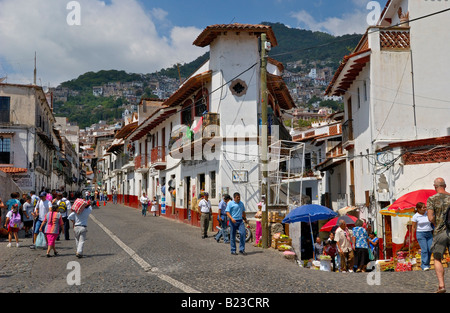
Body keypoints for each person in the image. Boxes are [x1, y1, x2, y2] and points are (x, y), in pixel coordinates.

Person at [427, 177, 450, 293]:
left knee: (437, 258)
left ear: (435, 187)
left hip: (440, 232)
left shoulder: (431, 199)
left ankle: (441, 286)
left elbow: (430, 217)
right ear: (445, 186)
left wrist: (438, 223)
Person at [412, 202, 433, 271]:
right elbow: (413, 227)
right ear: (418, 209)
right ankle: (424, 265)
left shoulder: (427, 214)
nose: (425, 209)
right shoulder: (415, 216)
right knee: (424, 250)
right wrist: (412, 236)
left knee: (430, 249)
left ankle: (427, 263)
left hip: (429, 233)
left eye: (425, 207)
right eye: (423, 207)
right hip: (421, 234)